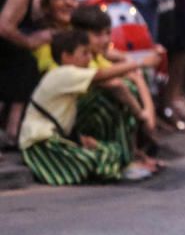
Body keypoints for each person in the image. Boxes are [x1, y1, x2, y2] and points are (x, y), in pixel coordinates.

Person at [18, 29, 163, 185]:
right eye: (84, 53)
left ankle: (124, 159)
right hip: (41, 143)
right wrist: (140, 62)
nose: (89, 59)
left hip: (59, 138)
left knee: (111, 151)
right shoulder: (64, 73)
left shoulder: (69, 75)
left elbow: (114, 85)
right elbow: (102, 75)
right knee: (98, 160)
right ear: (66, 56)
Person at [0, 0, 85, 145]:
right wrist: (31, 41)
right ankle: (13, 131)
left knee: (23, 63)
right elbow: (4, 27)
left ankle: (13, 131)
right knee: (19, 60)